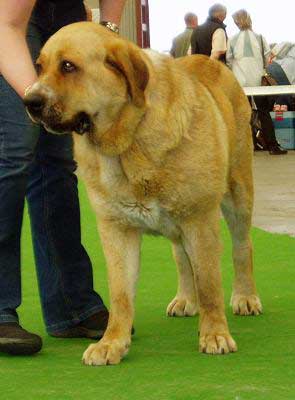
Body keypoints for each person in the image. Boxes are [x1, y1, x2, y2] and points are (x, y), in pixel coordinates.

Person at [0, 0, 126, 356]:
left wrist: (108, 32)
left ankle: (72, 305)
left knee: (57, 163)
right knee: (14, 152)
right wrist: (42, 100)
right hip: (6, 23)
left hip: (64, 13)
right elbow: (6, 26)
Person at [226, 9, 287, 155]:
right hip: (258, 82)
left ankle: (250, 147)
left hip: (240, 83)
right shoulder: (259, 38)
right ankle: (272, 146)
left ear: (236, 22)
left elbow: (228, 60)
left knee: (243, 114)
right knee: (263, 112)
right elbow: (267, 59)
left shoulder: (232, 40)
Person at [268, 42, 295, 110]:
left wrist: (273, 54)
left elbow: (286, 44)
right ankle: (282, 104)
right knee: (287, 91)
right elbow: (287, 43)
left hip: (276, 67)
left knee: (285, 91)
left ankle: (280, 105)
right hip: (279, 67)